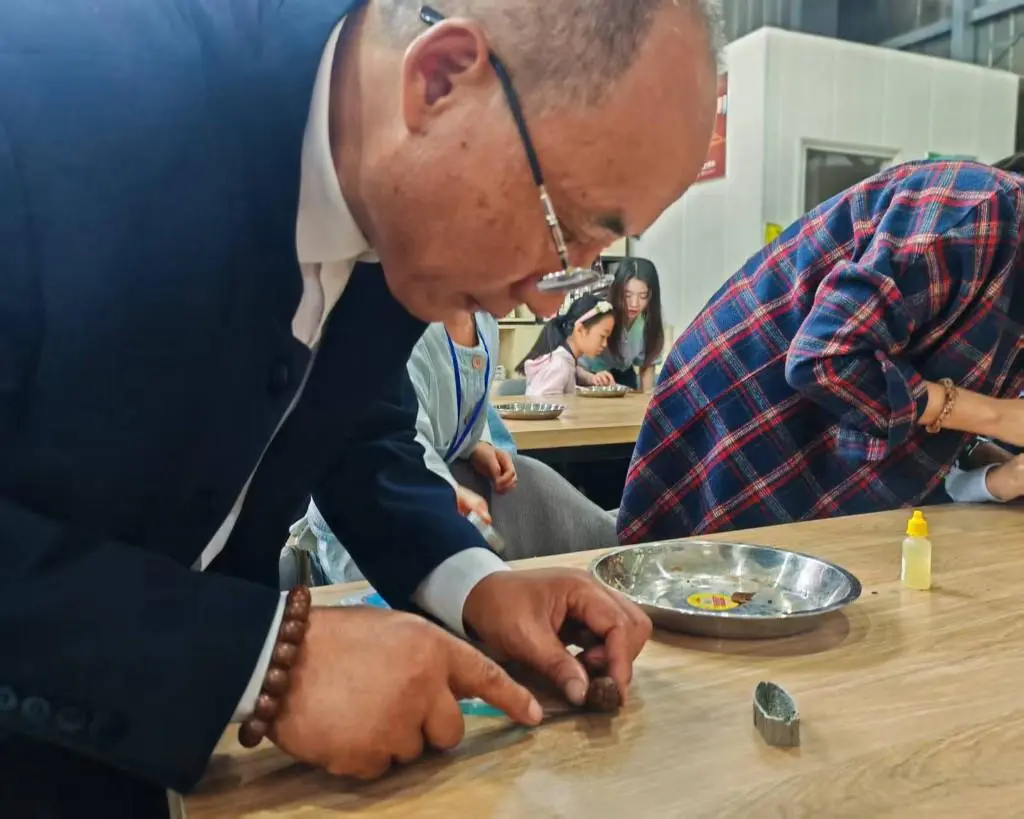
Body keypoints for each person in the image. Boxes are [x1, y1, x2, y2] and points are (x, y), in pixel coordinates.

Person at [0, 0, 723, 815]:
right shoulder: (49, 85)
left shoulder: (399, 207)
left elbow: (351, 426)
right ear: (438, 79)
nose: (545, 297)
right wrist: (262, 662)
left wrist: (478, 586)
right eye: (566, 234)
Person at [619, 156, 1024, 545]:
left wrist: (991, 464)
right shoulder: (980, 213)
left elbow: (932, 404)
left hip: (838, 470)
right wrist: (997, 417)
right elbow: (827, 359)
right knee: (693, 573)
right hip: (753, 412)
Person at [290, 311, 619, 582]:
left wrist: (477, 444)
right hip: (368, 519)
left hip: (426, 502)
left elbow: (472, 408)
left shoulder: (485, 324)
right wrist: (441, 488)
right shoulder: (407, 326)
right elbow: (395, 434)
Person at [578, 258, 666, 391]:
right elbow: (575, 365)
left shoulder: (650, 318)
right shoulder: (601, 312)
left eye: (643, 296)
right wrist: (591, 379)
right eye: (627, 295)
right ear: (617, 290)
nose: (634, 304)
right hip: (592, 378)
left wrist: (646, 399)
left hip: (625, 377)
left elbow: (647, 366)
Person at [518, 296, 616, 396]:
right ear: (580, 330)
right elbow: (542, 403)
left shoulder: (567, 361)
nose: (605, 344)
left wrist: (592, 378)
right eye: (602, 336)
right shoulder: (558, 366)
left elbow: (574, 370)